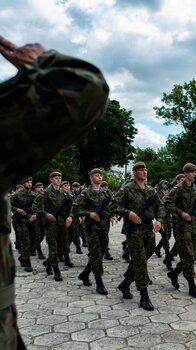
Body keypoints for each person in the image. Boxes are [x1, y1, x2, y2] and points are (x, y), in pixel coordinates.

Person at [0, 35, 109, 349]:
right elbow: (85, 88)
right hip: (43, 221)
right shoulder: (40, 192)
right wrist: (42, 62)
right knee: (50, 245)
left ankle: (60, 263)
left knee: (66, 245)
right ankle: (51, 264)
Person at [109, 162, 164, 311]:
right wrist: (129, 213)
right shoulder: (127, 189)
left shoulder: (151, 190)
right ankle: (144, 296)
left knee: (143, 257)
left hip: (149, 231)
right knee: (140, 262)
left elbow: (161, 207)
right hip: (133, 232)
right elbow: (112, 205)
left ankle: (125, 284)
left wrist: (159, 220)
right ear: (134, 173)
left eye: (146, 169)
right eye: (141, 170)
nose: (145, 172)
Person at [165, 163, 196, 298]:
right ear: (186, 173)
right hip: (182, 226)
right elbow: (166, 202)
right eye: (191, 172)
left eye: (195, 172)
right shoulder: (178, 188)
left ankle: (174, 273)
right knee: (188, 256)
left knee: (193, 255)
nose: (194, 174)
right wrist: (181, 213)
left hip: (193, 225)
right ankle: (192, 286)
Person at [73, 168, 112, 295]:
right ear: (91, 177)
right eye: (96, 175)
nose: (99, 177)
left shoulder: (105, 193)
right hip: (91, 229)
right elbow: (75, 208)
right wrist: (90, 214)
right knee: (95, 254)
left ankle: (84, 274)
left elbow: (110, 207)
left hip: (103, 227)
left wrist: (112, 215)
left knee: (101, 253)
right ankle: (99, 282)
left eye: (100, 175)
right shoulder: (85, 193)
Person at [33, 171, 74, 281]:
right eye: (56, 178)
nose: (58, 180)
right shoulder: (45, 192)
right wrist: (46, 214)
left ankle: (47, 263)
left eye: (60, 178)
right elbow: (35, 206)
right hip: (51, 224)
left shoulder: (64, 193)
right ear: (51, 179)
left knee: (62, 246)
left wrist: (70, 216)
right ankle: (56, 270)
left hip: (62, 223)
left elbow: (71, 206)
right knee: (53, 247)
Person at [10, 176, 36, 272]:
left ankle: (22, 257)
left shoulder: (34, 194)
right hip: (21, 221)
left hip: (32, 221)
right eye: (27, 182)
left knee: (33, 241)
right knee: (26, 241)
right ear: (23, 183)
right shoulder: (17, 194)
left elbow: (38, 206)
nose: (29, 184)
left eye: (31, 182)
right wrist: (17, 210)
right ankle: (27, 262)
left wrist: (36, 215)